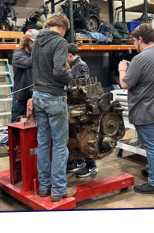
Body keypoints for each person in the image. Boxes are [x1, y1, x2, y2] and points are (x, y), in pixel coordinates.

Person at [119, 23, 154, 195]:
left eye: (134, 41)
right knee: (152, 143)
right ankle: (152, 170)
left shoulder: (140, 59)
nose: (134, 45)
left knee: (153, 146)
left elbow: (125, 84)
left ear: (140, 39)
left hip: (146, 109)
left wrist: (122, 70)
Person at [31, 12, 76, 201]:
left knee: (43, 143)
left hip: (37, 96)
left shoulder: (36, 42)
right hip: (54, 97)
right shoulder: (59, 42)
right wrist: (70, 77)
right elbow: (59, 70)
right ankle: (58, 189)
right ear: (64, 28)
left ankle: (44, 187)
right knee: (59, 145)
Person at [64, 45, 98, 177]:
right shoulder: (75, 65)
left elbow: (83, 86)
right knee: (77, 134)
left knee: (86, 134)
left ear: (70, 55)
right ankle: (79, 161)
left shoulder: (81, 65)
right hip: (75, 103)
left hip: (83, 105)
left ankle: (91, 166)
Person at [11, 30, 38, 123]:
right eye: (33, 42)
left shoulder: (34, 55)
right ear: (26, 41)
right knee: (18, 126)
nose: (34, 45)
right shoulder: (18, 55)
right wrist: (38, 52)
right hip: (20, 100)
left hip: (34, 98)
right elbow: (28, 63)